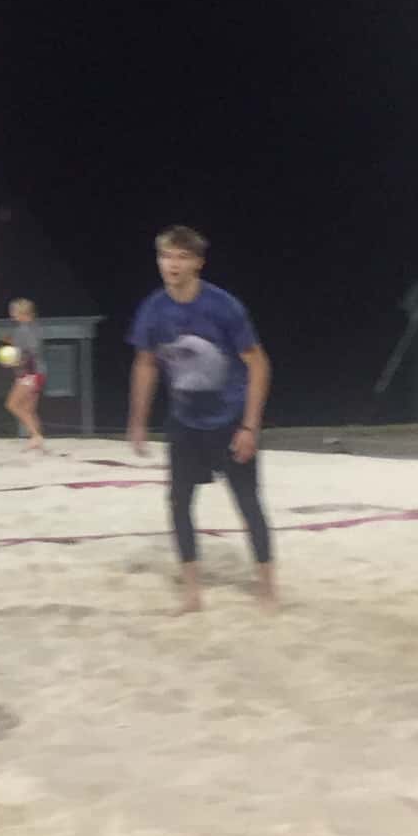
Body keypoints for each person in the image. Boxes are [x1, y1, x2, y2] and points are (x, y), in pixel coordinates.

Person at [126, 225, 275, 613]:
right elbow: (145, 364)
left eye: (181, 257)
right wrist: (138, 420)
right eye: (165, 256)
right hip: (185, 421)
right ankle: (192, 592)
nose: (172, 264)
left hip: (230, 419)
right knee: (177, 502)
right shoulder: (154, 310)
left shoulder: (223, 307)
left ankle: (268, 586)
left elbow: (258, 364)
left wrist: (249, 426)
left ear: (197, 262)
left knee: (248, 503)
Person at [3, 298, 46, 451]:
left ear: (22, 313)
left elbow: (29, 352)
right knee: (29, 410)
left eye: (14, 311)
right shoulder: (35, 327)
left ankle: (36, 436)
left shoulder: (23, 330)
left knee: (12, 404)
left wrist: (15, 363)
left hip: (29, 374)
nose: (11, 315)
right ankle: (37, 441)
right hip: (39, 373)